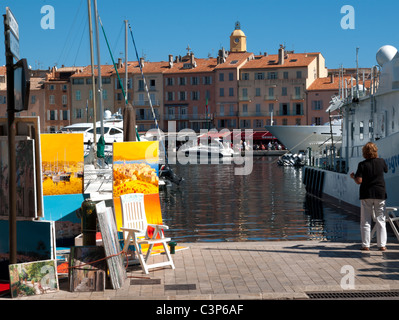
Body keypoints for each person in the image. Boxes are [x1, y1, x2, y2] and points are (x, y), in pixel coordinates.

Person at [350, 142, 388, 251]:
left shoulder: (362, 164)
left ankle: (366, 245)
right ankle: (382, 245)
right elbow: (386, 170)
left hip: (366, 194)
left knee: (365, 220)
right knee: (381, 220)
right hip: (380, 193)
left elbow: (359, 181)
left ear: (364, 153)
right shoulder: (381, 162)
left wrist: (353, 177)